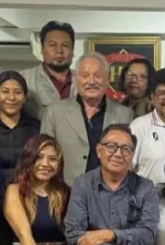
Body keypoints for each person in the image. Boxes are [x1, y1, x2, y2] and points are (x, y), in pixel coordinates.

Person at [40, 52, 134, 185]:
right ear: (75, 79)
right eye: (85, 75)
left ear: (107, 80)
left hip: (111, 190)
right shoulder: (54, 111)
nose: (91, 81)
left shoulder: (125, 114)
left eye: (98, 76)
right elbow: (44, 155)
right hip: (66, 189)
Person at [21, 21, 76, 120]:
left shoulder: (85, 81)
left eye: (65, 45)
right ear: (42, 49)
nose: (59, 51)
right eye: (52, 45)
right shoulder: (24, 80)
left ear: (73, 51)